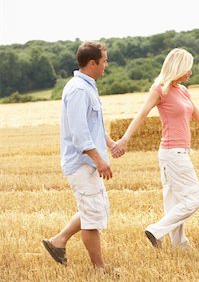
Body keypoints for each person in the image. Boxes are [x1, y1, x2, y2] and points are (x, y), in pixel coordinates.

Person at [111, 48, 199, 248]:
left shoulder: (184, 91)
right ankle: (156, 230)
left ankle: (179, 244)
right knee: (195, 198)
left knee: (175, 202)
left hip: (180, 152)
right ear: (178, 67)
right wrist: (124, 139)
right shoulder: (160, 89)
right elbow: (142, 114)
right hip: (172, 153)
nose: (191, 73)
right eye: (188, 69)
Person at [42, 41, 115, 270]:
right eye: (104, 61)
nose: (106, 65)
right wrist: (99, 160)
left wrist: (109, 143)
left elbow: (93, 125)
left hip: (89, 162)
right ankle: (99, 268)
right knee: (92, 216)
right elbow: (79, 132)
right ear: (92, 62)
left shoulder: (88, 86)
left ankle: (58, 241)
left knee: (96, 208)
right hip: (82, 164)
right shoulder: (78, 90)